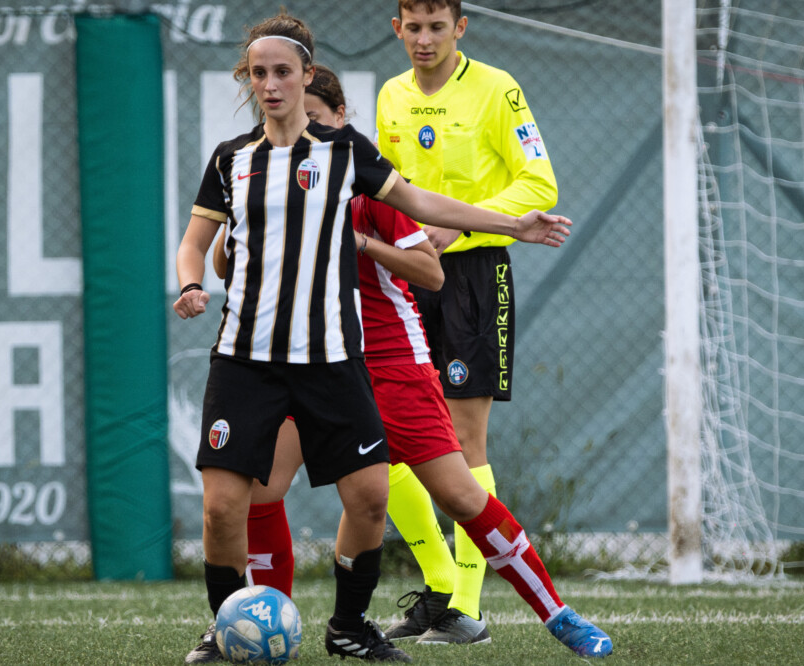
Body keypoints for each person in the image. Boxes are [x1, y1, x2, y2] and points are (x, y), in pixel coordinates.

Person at [173, 14, 572, 665]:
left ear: (307, 80)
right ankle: (233, 626)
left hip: (365, 336)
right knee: (237, 501)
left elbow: (417, 203)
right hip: (259, 356)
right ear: (247, 79)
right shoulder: (236, 159)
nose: (272, 85)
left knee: (401, 481)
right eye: (259, 72)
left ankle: (403, 614)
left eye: (284, 72)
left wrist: (510, 225)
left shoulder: (354, 150)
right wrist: (195, 279)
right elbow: (208, 249)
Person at [373, 0, 562, 645]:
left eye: (437, 28)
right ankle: (440, 585)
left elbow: (540, 186)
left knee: (461, 437)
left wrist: (458, 226)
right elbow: (388, 189)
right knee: (390, 435)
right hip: (402, 280)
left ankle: (468, 610)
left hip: (474, 279)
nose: (424, 40)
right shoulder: (391, 95)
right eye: (413, 28)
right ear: (397, 30)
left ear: (460, 29)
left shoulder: (497, 89)